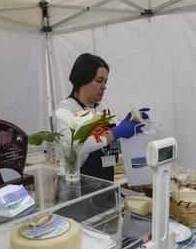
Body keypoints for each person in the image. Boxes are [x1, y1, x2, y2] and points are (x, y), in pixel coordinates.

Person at [54, 53, 146, 181]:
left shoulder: (101, 107)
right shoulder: (66, 109)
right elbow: (73, 146)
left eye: (105, 81)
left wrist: (128, 123)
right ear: (82, 79)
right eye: (99, 81)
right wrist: (114, 133)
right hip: (77, 184)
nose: (104, 87)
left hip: (104, 181)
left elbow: (109, 139)